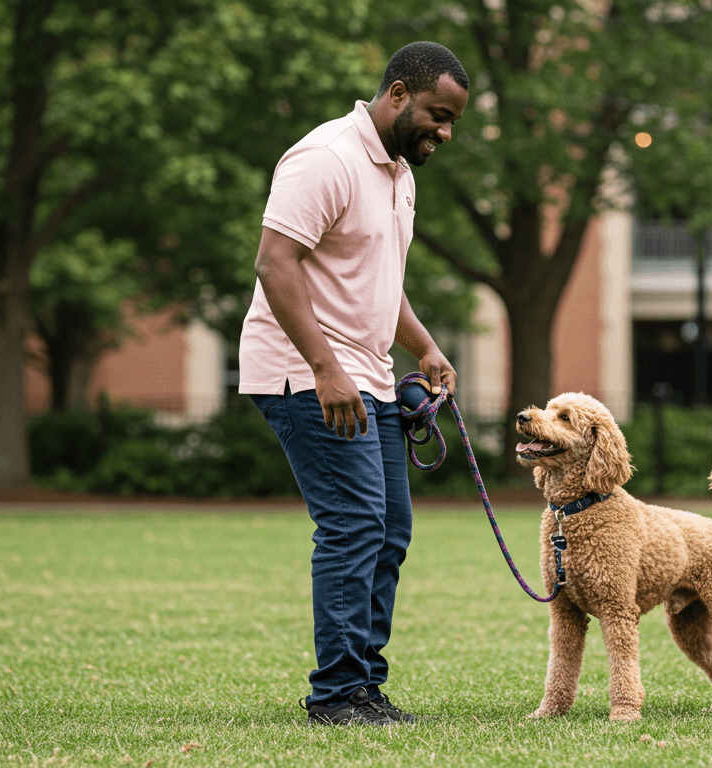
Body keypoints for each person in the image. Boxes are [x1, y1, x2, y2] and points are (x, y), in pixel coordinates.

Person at [237, 41, 469, 726]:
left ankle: (363, 685)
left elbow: (379, 281)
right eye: (437, 114)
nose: (444, 132)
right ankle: (336, 694)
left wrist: (423, 345)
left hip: (365, 375)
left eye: (453, 120)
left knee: (390, 528)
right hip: (304, 374)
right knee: (354, 524)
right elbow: (275, 262)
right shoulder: (326, 157)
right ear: (398, 93)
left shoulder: (400, 174)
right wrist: (324, 367)